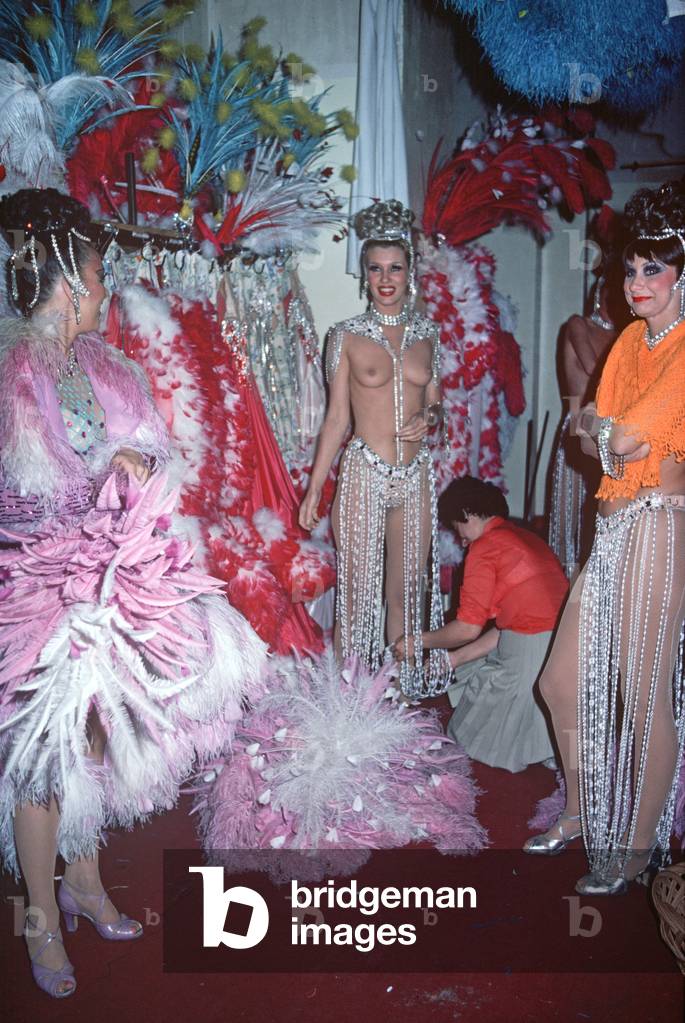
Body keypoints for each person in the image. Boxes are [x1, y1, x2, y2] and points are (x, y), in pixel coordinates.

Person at [0, 188, 266, 996]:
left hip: (111, 577)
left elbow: (146, 455)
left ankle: (84, 882)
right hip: (40, 588)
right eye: (99, 271)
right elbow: (16, 495)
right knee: (43, 759)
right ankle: (40, 915)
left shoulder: (105, 364)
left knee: (90, 739)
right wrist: (94, 484)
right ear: (71, 281)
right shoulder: (10, 370)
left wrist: (133, 473)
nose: (108, 286)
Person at [524, 181, 685, 894]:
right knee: (558, 682)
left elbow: (615, 432)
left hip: (657, 525)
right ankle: (585, 809)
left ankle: (639, 844)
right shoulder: (625, 340)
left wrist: (608, 435)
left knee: (640, 692)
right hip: (614, 521)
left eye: (654, 268)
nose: (636, 283)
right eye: (630, 268)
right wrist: (607, 435)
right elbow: (587, 434)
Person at [299, 200, 450, 698]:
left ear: (410, 273)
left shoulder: (427, 335)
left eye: (396, 268)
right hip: (364, 473)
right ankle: (348, 702)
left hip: (416, 477)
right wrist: (315, 488)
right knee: (357, 597)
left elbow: (437, 409)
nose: (386, 279)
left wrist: (429, 419)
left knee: (405, 594)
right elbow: (337, 418)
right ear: (364, 275)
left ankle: (401, 691)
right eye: (375, 269)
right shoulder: (342, 336)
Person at [393, 476, 568, 772]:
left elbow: (467, 629)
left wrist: (416, 641)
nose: (460, 539)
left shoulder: (486, 547)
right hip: (562, 646)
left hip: (532, 651)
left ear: (468, 513)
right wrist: (454, 658)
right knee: (467, 670)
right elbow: (511, 626)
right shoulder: (522, 537)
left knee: (465, 734)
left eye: (457, 526)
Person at [548, 274, 621, 577]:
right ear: (600, 294)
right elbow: (595, 370)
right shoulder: (579, 324)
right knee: (571, 519)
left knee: (598, 513)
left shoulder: (623, 335)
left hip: (605, 431)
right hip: (578, 427)